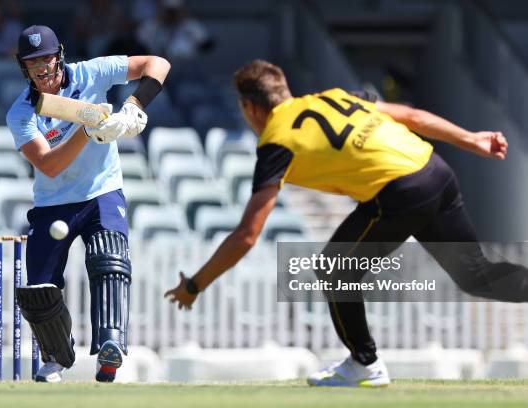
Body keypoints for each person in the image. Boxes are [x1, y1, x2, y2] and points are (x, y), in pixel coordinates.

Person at [164, 59, 528, 387]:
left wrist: (196, 285)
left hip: (399, 190)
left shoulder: (277, 140)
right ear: (284, 88)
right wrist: (470, 139)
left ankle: (364, 363)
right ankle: (363, 361)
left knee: (335, 271)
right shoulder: (334, 96)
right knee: (476, 276)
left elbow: (247, 235)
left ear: (249, 107)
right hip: (435, 170)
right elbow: (411, 117)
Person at [6, 25, 170, 383]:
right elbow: (49, 164)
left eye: (47, 61)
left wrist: (135, 104)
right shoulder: (21, 113)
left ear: (59, 55)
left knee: (109, 259)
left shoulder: (90, 72)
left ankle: (110, 346)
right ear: (24, 67)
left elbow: (157, 63)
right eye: (34, 65)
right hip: (54, 202)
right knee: (40, 290)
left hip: (102, 191)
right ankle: (55, 356)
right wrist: (88, 130)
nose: (43, 71)